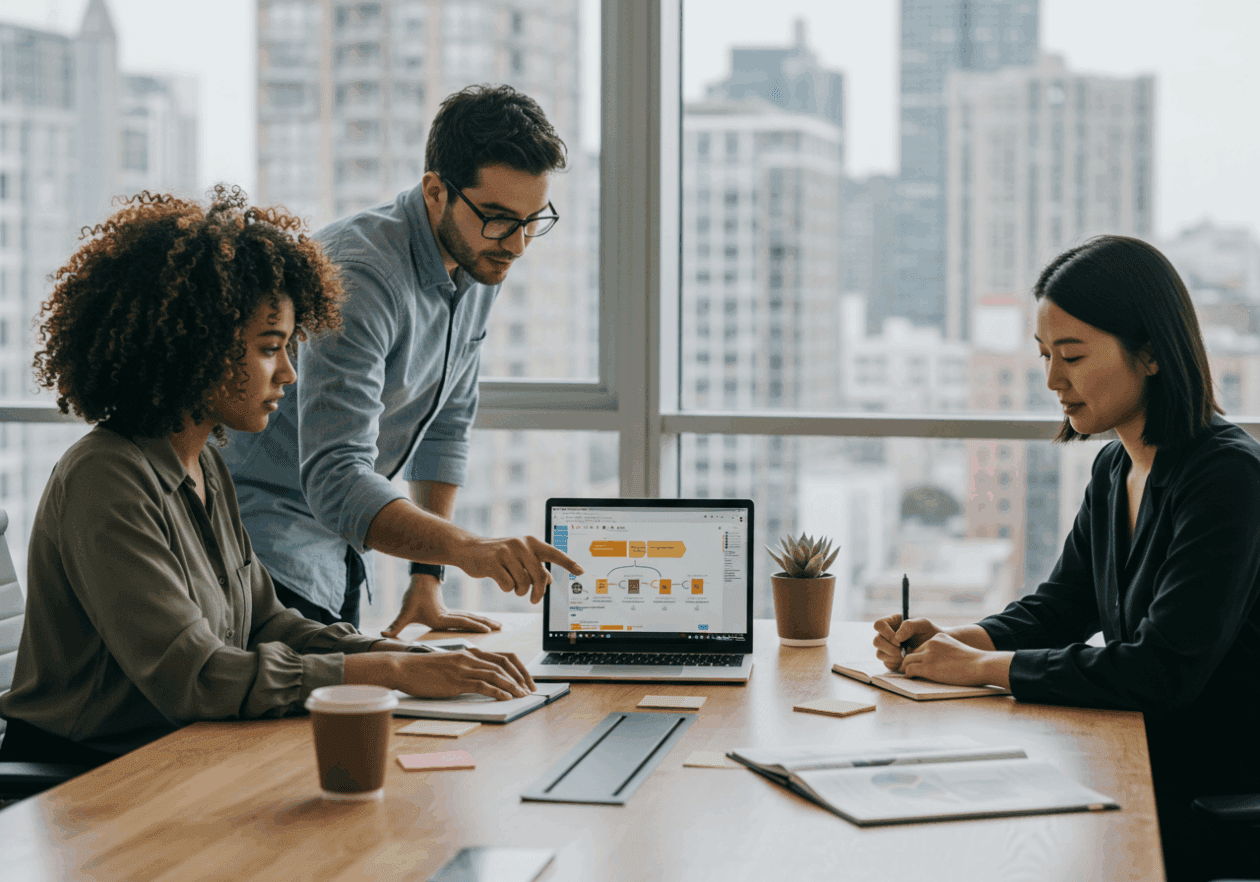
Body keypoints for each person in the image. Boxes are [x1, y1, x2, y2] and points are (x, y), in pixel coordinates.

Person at [0, 189, 535, 769]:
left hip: (177, 754)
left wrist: (394, 653)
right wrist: (394, 669)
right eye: (268, 349)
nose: (287, 373)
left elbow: (265, 621)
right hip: (87, 778)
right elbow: (198, 676)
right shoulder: (105, 479)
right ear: (195, 347)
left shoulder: (203, 464)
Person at [872, 235, 1260, 881]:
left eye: (1072, 355)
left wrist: (978, 667)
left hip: (1202, 794)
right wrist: (952, 642)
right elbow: (1064, 605)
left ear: (1153, 354)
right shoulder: (1115, 467)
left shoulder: (1228, 479)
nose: (1053, 379)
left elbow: (1161, 671)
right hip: (1128, 758)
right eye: (1046, 355)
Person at [222, 83, 581, 638]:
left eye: (533, 221)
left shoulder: (480, 259)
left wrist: (428, 576)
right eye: (499, 219)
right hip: (262, 553)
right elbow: (335, 478)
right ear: (436, 191)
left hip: (335, 549)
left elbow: (445, 425)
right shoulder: (361, 279)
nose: (517, 246)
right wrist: (471, 549)